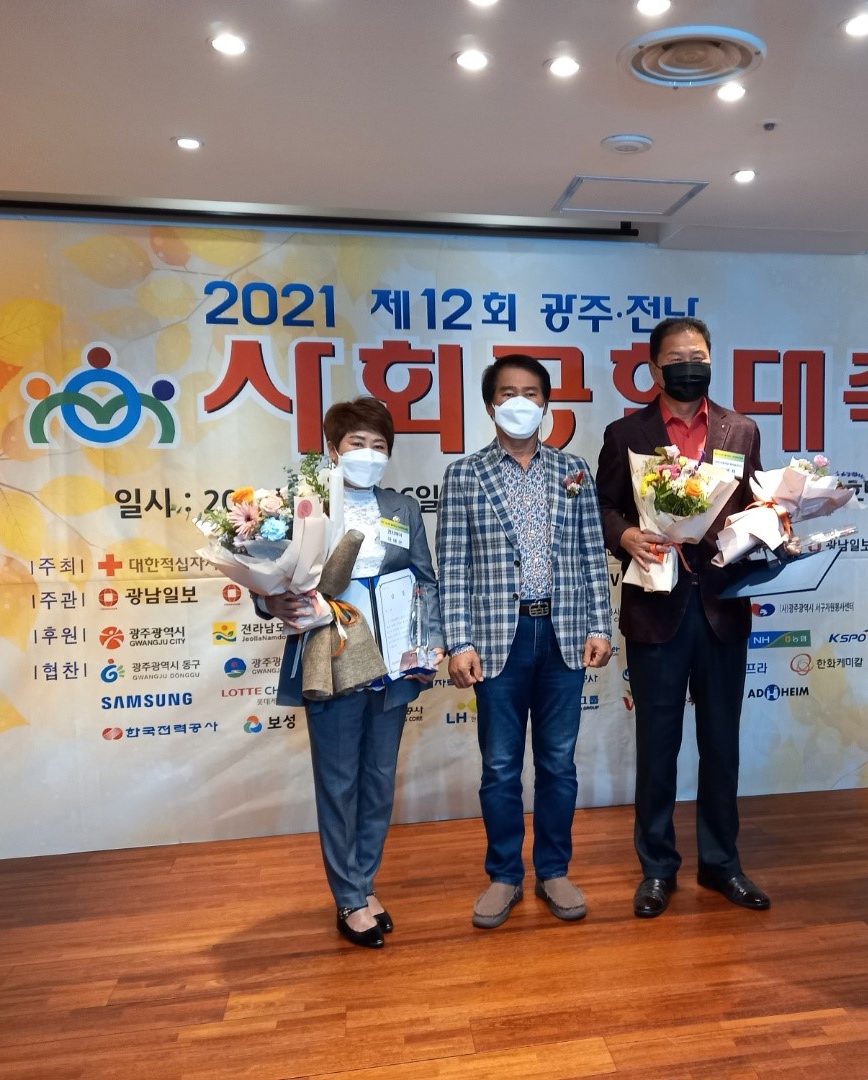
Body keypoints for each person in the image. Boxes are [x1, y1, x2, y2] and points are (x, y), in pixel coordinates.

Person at [595, 316, 771, 918]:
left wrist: (775, 522)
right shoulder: (626, 434)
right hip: (655, 607)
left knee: (722, 744)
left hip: (722, 606)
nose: (689, 367)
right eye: (676, 359)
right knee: (657, 745)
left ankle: (722, 864)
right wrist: (626, 536)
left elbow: (755, 505)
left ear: (712, 362)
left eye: (699, 356)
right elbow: (604, 505)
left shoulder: (741, 430)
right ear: (654, 368)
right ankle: (657, 868)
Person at [259, 397, 444, 949]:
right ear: (333, 450)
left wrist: (428, 644)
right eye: (357, 444)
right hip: (333, 656)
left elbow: (425, 580)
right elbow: (269, 580)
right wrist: (271, 602)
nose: (368, 454)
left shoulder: (401, 507)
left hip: (394, 659)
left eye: (379, 446)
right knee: (339, 782)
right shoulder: (307, 506)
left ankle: (364, 882)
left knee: (379, 779)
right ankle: (348, 897)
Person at [436, 355, 614, 929]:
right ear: (490, 405)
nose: (521, 401)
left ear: (546, 403)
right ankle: (504, 875)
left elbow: (591, 555)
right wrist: (458, 641)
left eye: (532, 392)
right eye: (508, 392)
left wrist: (600, 626)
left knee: (559, 763)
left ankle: (554, 870)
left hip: (563, 634)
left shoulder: (573, 470)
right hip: (496, 640)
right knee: (500, 766)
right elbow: (453, 566)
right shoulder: (464, 475)